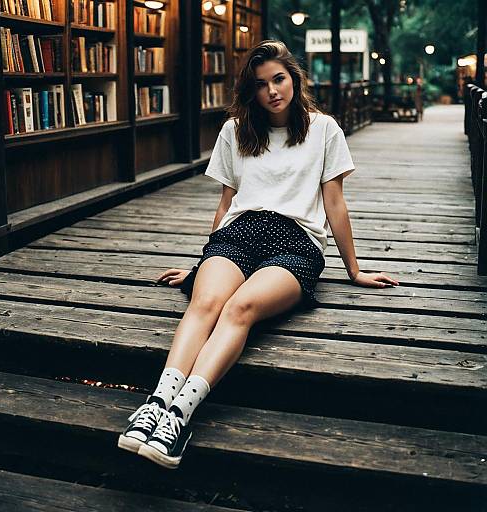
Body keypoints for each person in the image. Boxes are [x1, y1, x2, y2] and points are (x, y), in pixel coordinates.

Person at [118, 40, 399, 469]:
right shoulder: (235, 131)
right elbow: (226, 201)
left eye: (278, 79)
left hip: (296, 241)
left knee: (239, 306)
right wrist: (201, 264)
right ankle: (155, 404)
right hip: (239, 233)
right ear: (250, 92)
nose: (272, 91)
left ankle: (179, 416)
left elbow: (335, 204)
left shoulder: (324, 129)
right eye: (260, 84)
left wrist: (354, 271)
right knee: (206, 301)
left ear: (294, 78)